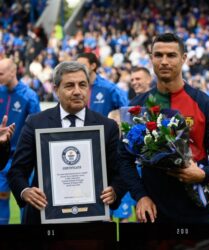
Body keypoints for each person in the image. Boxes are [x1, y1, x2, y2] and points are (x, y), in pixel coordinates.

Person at [119, 33, 209, 223]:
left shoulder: (204, 103)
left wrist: (204, 174)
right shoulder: (137, 107)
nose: (164, 61)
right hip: (153, 212)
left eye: (171, 55)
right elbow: (124, 158)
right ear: (151, 58)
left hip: (195, 210)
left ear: (184, 58)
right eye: (158, 55)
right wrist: (140, 196)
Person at [7, 61, 127, 224]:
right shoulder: (36, 123)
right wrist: (25, 191)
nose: (78, 91)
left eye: (82, 85)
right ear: (56, 90)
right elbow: (17, 171)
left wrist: (114, 191)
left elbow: (120, 172)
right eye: (70, 85)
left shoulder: (107, 126)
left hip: (91, 222)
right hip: (44, 220)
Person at [0, 58, 41, 224]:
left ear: (12, 72)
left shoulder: (30, 96)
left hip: (23, 158)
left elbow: (37, 128)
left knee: (26, 199)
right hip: (2, 156)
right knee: (2, 197)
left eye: (1, 73)